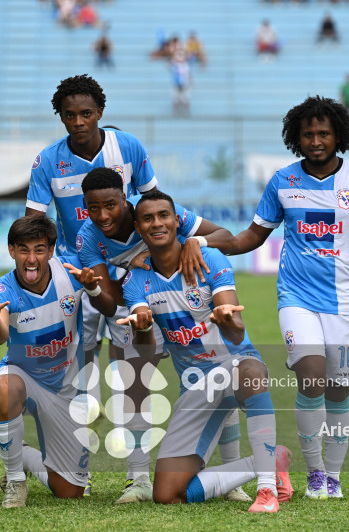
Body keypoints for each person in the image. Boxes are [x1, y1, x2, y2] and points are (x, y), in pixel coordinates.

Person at [219, 96, 349, 499]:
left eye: (323, 133)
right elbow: (251, 236)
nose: (315, 140)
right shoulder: (283, 181)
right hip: (296, 297)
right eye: (307, 134)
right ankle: (314, 472)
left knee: (337, 391)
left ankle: (333, 477)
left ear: (339, 135)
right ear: (295, 138)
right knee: (312, 375)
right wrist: (200, 243)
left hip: (346, 301)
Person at [76, 167, 254, 503]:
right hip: (138, 304)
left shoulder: (155, 212)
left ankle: (233, 478)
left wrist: (194, 244)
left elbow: (227, 238)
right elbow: (112, 303)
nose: (103, 215)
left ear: (125, 201)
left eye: (111, 205)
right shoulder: (87, 238)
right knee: (134, 384)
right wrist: (94, 289)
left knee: (217, 376)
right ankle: (138, 479)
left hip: (184, 301)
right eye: (93, 208)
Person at [25, 74, 159, 499]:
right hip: (70, 272)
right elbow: (34, 222)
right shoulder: (48, 160)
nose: (78, 121)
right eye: (70, 115)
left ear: (100, 112)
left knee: (133, 373)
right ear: (61, 118)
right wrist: (39, 272)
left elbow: (156, 207)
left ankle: (139, 476)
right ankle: (73, 467)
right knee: (73, 373)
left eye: (86, 113)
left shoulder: (130, 148)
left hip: (123, 273)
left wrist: (155, 259)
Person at [118, 191, 294, 512]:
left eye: (163, 215)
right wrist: (141, 329)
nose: (157, 223)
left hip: (235, 368)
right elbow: (146, 352)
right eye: (148, 218)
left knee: (252, 369)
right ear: (138, 227)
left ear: (176, 221)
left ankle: (267, 490)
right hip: (196, 388)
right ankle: (268, 459)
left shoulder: (209, 258)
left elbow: (237, 329)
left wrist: (226, 319)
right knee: (167, 495)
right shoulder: (136, 281)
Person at [0, 215, 104, 507]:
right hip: (25, 379)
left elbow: (110, 279)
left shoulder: (70, 273)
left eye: (39, 249)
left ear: (51, 251)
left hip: (66, 388)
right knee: (4, 387)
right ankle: (15, 480)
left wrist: (95, 285)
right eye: (23, 249)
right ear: (11, 250)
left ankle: (23, 455)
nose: (31, 258)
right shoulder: (3, 290)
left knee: (70, 491)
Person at [170, 50, 192, 117]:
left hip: (185, 85)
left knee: (185, 99)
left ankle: (186, 112)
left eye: (181, 55)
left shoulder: (186, 65)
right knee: (176, 100)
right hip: (176, 85)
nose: (180, 56)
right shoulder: (174, 64)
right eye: (178, 54)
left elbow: (187, 75)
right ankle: (175, 113)